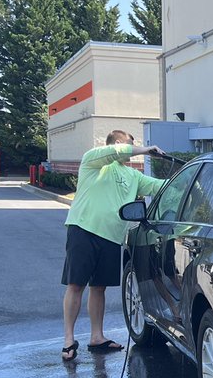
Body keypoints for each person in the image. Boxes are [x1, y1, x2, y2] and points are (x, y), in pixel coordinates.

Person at [61, 130, 169, 361]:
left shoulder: (132, 176)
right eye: (131, 145)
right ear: (119, 143)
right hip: (83, 230)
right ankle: (68, 339)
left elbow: (159, 186)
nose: (133, 149)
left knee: (99, 287)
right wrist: (146, 150)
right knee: (75, 284)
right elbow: (115, 153)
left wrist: (188, 180)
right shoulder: (94, 161)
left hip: (111, 236)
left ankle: (97, 337)